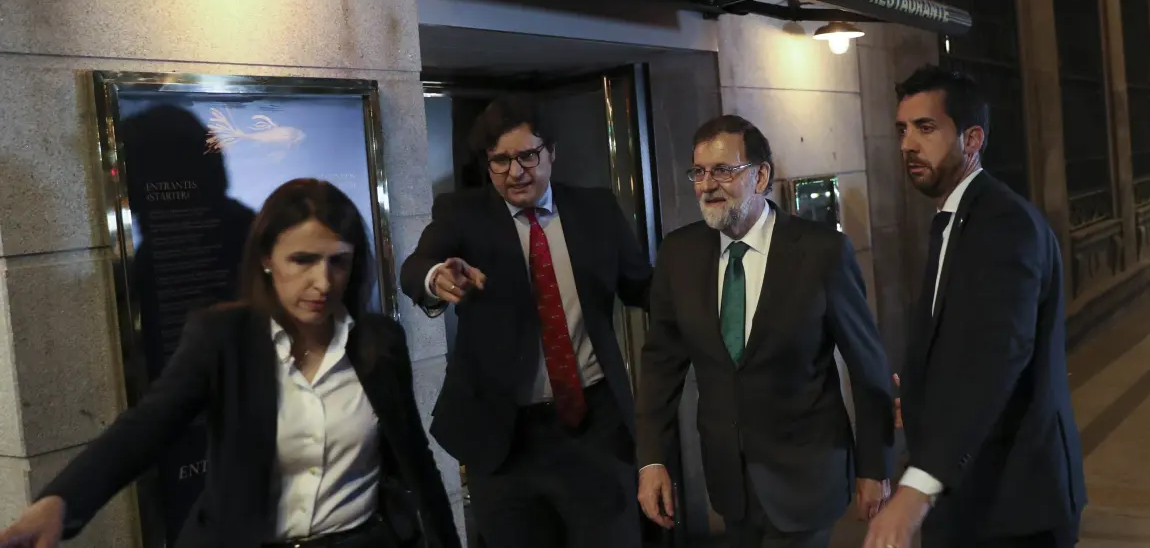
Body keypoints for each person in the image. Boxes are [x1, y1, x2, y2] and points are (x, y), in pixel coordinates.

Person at [0, 179, 460, 548]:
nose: (322, 281)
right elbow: (147, 426)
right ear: (266, 258)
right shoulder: (223, 337)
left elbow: (416, 460)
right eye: (302, 260)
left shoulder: (378, 342)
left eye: (337, 262)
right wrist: (61, 502)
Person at [398, 97, 653, 548]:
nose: (515, 172)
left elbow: (644, 287)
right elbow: (416, 266)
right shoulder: (463, 214)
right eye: (500, 160)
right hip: (505, 439)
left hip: (594, 428)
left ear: (551, 152)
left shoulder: (595, 209)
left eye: (528, 156)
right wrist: (436, 277)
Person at [637, 115, 895, 548]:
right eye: (699, 172)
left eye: (723, 170)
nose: (706, 185)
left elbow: (868, 367)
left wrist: (875, 466)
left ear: (760, 176)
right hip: (729, 483)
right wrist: (651, 460)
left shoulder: (822, 251)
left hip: (806, 478)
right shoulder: (679, 255)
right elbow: (660, 364)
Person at [864, 66, 1086, 548]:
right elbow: (964, 336)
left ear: (972, 139)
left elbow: (996, 354)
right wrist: (921, 398)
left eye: (926, 128)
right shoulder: (955, 218)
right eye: (902, 130)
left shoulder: (1004, 223)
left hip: (1013, 506)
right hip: (970, 498)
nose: (907, 145)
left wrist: (917, 488)